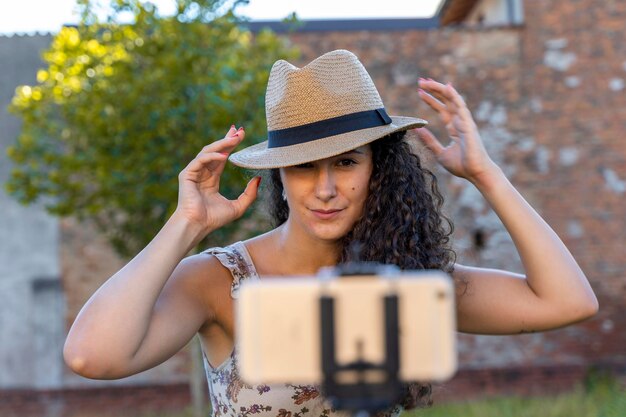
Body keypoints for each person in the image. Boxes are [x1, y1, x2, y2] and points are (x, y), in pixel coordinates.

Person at [64, 50, 598, 416]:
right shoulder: (221, 281)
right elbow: (93, 357)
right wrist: (187, 225)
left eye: (345, 162)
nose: (324, 188)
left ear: (377, 168)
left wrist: (487, 174)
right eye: (302, 167)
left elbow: (566, 302)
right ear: (280, 175)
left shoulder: (405, 278)